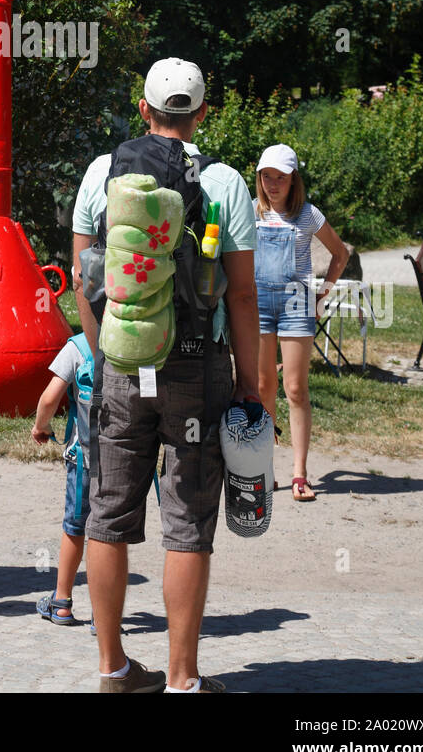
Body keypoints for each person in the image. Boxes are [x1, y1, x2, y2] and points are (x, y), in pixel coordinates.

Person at [74, 58, 260, 693]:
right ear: (202, 113)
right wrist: (249, 382)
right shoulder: (226, 182)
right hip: (195, 365)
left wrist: (105, 356)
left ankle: (113, 668)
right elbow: (240, 296)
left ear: (144, 108)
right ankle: (183, 679)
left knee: (108, 513)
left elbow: (86, 278)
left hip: (124, 365)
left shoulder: (103, 172)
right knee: (187, 519)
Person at [253, 143, 350, 503]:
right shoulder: (252, 213)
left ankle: (299, 473)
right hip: (259, 304)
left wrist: (321, 295)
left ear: (294, 180)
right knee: (263, 386)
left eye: (280, 177)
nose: (273, 184)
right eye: (267, 177)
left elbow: (339, 254)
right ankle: (265, 469)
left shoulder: (308, 214)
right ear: (259, 178)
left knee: (294, 388)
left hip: (297, 304)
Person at [31, 332, 94, 627]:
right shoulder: (132, 343)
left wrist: (40, 426)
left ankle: (62, 602)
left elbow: (49, 399)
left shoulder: (79, 346)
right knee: (108, 535)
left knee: (74, 528)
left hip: (83, 460)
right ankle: (104, 613)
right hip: (124, 462)